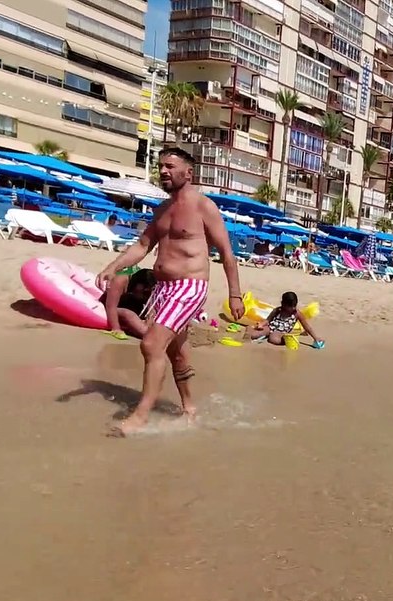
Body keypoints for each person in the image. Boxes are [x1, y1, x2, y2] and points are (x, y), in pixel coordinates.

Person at [97, 148, 244, 436]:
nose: (163, 171)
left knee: (151, 345)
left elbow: (227, 252)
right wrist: (113, 267)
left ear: (188, 173)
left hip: (190, 286)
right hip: (162, 288)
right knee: (176, 353)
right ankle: (190, 408)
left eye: (170, 166)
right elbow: (142, 246)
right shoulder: (162, 210)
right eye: (161, 166)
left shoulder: (204, 207)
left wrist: (235, 294)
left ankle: (140, 417)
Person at [247, 291, 324, 348]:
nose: (293, 308)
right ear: (283, 304)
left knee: (272, 339)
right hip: (271, 327)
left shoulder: (297, 314)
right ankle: (257, 333)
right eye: (290, 306)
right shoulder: (278, 310)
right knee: (253, 335)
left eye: (294, 305)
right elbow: (268, 320)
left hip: (282, 332)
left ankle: (289, 339)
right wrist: (261, 324)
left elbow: (307, 327)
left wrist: (315, 337)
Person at [100, 267, 156, 339]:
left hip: (129, 304)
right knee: (128, 314)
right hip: (110, 306)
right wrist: (116, 329)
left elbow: (151, 308)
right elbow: (111, 307)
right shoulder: (119, 281)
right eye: (145, 292)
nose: (145, 295)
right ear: (138, 282)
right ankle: (148, 334)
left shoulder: (148, 288)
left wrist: (150, 319)